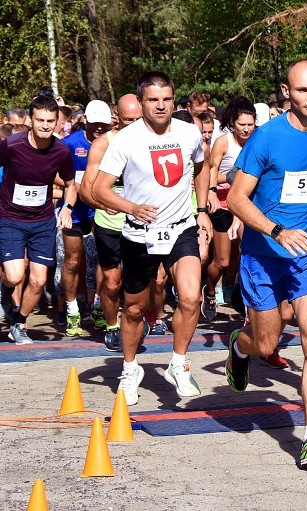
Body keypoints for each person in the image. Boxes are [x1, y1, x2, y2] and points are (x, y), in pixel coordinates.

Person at [226, 59, 307, 468]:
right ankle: (239, 347)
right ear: (287, 92)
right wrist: (277, 230)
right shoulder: (266, 138)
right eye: (303, 91)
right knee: (265, 342)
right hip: (265, 255)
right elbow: (236, 198)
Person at [92, 71, 213, 405]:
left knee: (190, 298)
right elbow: (99, 188)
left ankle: (178, 363)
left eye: (167, 99)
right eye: (153, 99)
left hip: (180, 227)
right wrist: (131, 207)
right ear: (141, 101)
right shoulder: (126, 140)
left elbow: (201, 167)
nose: (161, 106)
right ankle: (130, 369)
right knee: (133, 309)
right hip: (138, 234)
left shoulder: (189, 133)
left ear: (175, 101)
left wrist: (201, 209)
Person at [0, 92, 76, 344]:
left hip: (42, 221)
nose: (45, 126)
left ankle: (18, 323)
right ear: (30, 120)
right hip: (10, 217)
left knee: (39, 279)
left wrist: (66, 207)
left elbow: (70, 184)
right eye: (40, 120)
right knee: (13, 276)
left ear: (57, 122)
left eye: (50, 121)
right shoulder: (11, 145)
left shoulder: (62, 151)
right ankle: (4, 290)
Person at [78, 94, 144, 351]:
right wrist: (106, 204)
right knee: (112, 281)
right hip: (109, 223)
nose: (135, 124)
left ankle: (134, 320)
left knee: (141, 281)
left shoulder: (152, 141)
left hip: (141, 222)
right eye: (129, 120)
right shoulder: (103, 144)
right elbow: (86, 189)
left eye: (139, 118)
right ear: (117, 117)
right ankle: (112, 326)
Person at [60, 99, 113, 336]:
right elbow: (54, 174)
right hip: (75, 210)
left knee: (105, 260)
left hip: (102, 210)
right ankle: (72, 311)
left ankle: (99, 307)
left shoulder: (113, 143)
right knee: (73, 260)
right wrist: (76, 185)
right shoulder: (70, 144)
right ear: (85, 120)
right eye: (95, 124)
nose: (99, 128)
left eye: (104, 124)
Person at [202, 97, 256, 320]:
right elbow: (211, 170)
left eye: (250, 124)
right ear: (233, 123)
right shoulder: (223, 142)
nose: (246, 129)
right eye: (242, 124)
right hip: (223, 203)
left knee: (249, 251)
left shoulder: (258, 139)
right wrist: (212, 191)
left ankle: (245, 298)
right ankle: (211, 289)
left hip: (247, 203)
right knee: (222, 261)